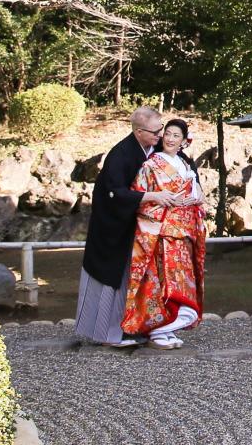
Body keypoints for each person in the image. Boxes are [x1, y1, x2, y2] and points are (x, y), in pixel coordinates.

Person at [75, 106, 194, 346]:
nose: (161, 136)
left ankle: (145, 327)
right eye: (156, 131)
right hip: (115, 228)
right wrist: (153, 197)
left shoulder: (156, 147)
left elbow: (186, 168)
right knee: (114, 281)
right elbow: (114, 192)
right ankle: (108, 334)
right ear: (139, 131)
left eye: (162, 130)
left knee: (146, 282)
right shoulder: (121, 154)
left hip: (148, 229)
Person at [121, 117, 208, 348]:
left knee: (182, 283)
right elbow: (140, 196)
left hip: (185, 233)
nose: (170, 139)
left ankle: (169, 328)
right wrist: (162, 201)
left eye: (176, 135)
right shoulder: (151, 164)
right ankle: (159, 329)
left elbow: (200, 197)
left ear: (183, 141)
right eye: (167, 134)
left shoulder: (186, 165)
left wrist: (197, 199)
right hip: (162, 233)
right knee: (164, 282)